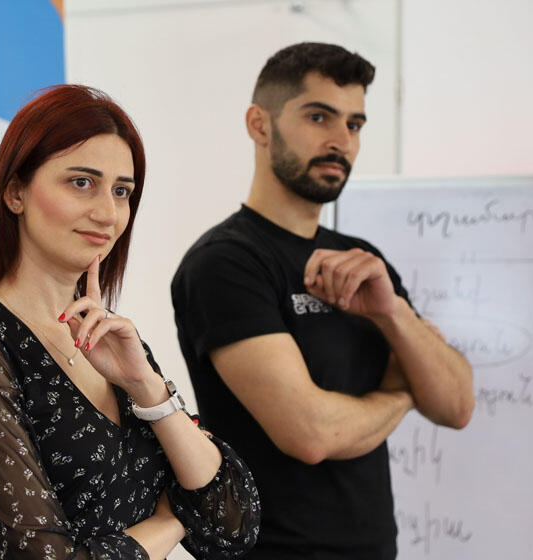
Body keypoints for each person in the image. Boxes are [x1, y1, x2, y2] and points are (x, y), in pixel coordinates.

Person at [171, 43, 475, 558]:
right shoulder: (225, 263)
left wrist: (393, 312)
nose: (341, 141)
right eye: (319, 117)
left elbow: (456, 404)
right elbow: (310, 433)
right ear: (259, 125)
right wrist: (401, 394)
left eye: (354, 125)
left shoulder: (362, 263)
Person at [0, 84, 261, 559]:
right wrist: (170, 525)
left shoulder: (113, 339)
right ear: (15, 192)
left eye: (122, 191)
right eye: (81, 182)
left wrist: (147, 388)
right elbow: (40, 556)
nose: (108, 213)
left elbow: (231, 523)